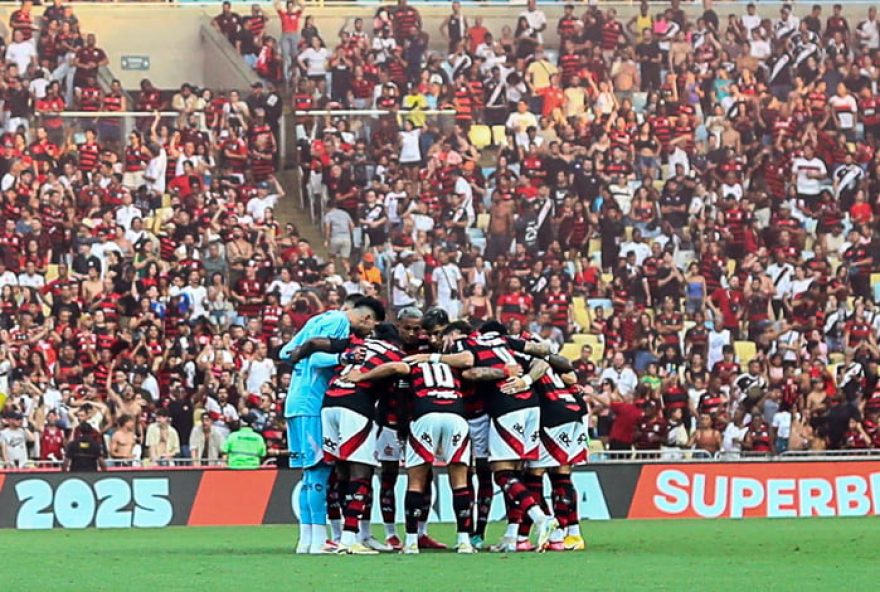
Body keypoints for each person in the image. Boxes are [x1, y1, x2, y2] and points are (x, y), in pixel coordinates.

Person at [279, 296, 385, 555]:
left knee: (307, 475)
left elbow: (285, 353)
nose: (369, 333)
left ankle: (306, 540)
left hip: (294, 403)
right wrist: (345, 357)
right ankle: (317, 542)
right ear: (366, 318)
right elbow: (316, 360)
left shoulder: (318, 319)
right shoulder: (339, 322)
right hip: (312, 405)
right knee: (318, 473)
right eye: (371, 327)